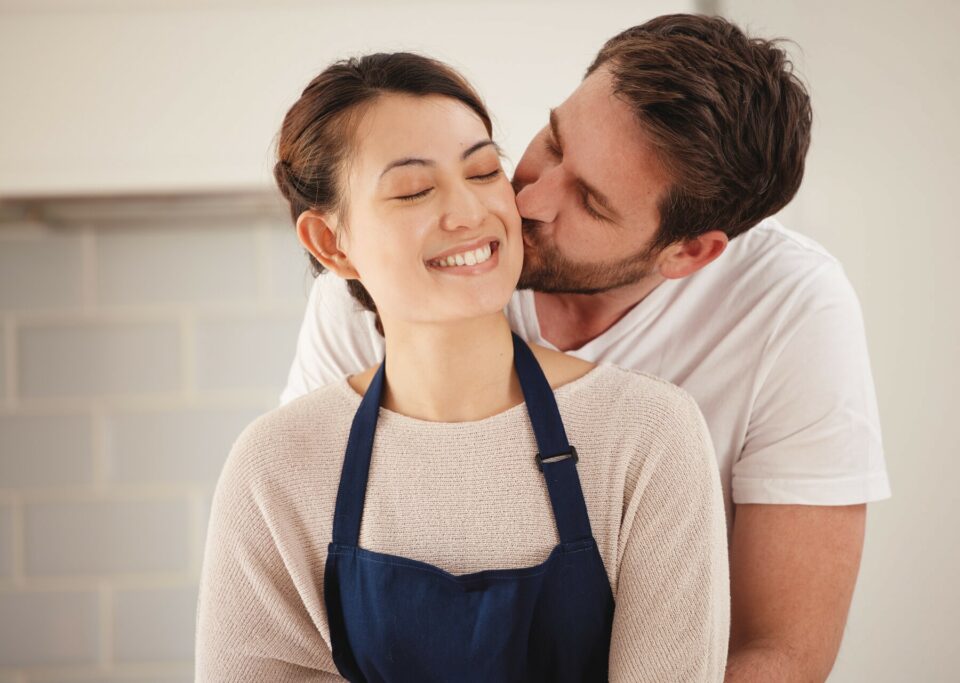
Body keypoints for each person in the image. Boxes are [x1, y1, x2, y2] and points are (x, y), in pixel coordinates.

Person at [279, 13, 893, 683]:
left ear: (689, 252)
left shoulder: (789, 309)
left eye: (591, 202)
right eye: (553, 140)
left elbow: (778, 651)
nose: (530, 198)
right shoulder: (385, 284)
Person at [195, 52, 730, 681]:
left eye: (482, 171)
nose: (471, 212)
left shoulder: (648, 433)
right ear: (331, 243)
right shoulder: (280, 463)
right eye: (414, 190)